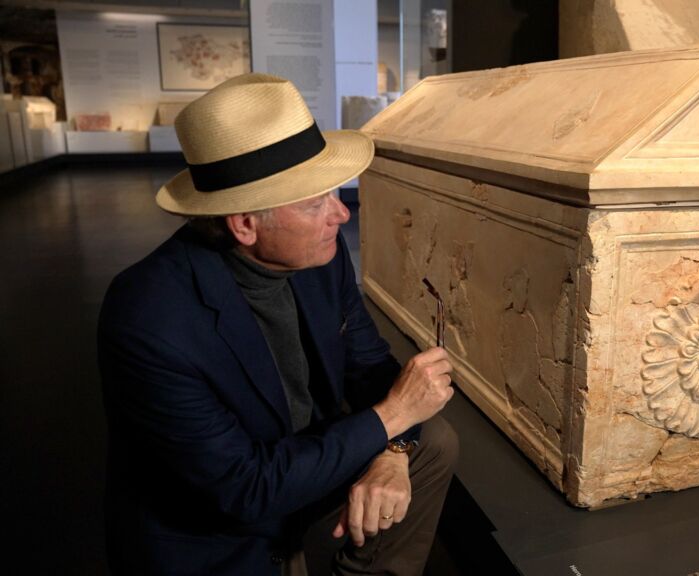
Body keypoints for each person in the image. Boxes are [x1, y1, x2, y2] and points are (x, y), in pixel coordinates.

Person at [98, 73, 457, 576]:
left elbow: (373, 368)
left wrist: (393, 451)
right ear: (244, 224)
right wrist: (391, 418)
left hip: (300, 472)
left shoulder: (321, 259)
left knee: (432, 442)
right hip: (220, 538)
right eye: (315, 203)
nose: (341, 215)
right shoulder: (147, 318)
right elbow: (243, 488)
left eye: (334, 193)